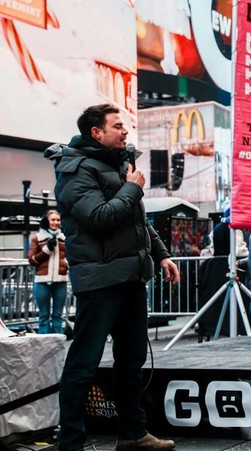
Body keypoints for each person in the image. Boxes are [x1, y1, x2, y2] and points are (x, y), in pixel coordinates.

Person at [45, 103, 180, 451]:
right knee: (84, 362)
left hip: (130, 278)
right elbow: (100, 217)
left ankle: (133, 435)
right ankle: (71, 444)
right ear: (96, 132)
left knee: (132, 360)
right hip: (99, 281)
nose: (125, 131)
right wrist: (132, 188)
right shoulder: (74, 169)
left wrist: (161, 254)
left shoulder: (119, 166)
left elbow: (137, 221)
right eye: (117, 126)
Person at [27, 210, 69, 334]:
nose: (55, 222)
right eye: (53, 219)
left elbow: (72, 255)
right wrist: (47, 249)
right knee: (44, 316)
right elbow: (31, 260)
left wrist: (66, 263)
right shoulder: (38, 238)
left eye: (58, 220)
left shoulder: (64, 238)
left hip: (60, 280)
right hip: (42, 281)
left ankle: (58, 344)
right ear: (47, 221)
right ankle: (43, 344)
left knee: (58, 315)